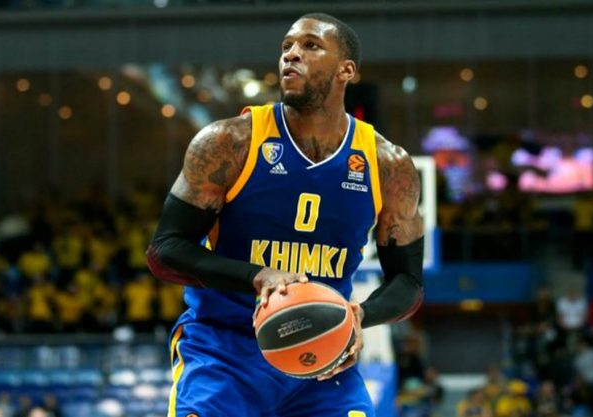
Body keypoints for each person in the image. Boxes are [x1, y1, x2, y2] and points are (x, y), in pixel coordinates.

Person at [146, 12, 424, 417]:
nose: (291, 54)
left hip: (322, 355)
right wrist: (257, 275)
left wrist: (358, 317)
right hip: (224, 351)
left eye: (310, 46)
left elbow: (408, 283)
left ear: (347, 70)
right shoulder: (230, 141)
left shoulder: (388, 166)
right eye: (286, 47)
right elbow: (165, 250)